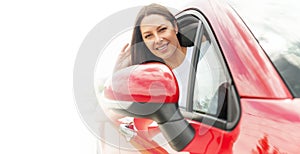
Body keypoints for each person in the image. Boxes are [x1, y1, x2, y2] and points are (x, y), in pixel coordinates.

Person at [113, 3, 194, 107]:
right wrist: (118, 72)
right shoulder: (154, 79)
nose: (158, 40)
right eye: (149, 36)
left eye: (162, 30)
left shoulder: (204, 55)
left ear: (175, 27)